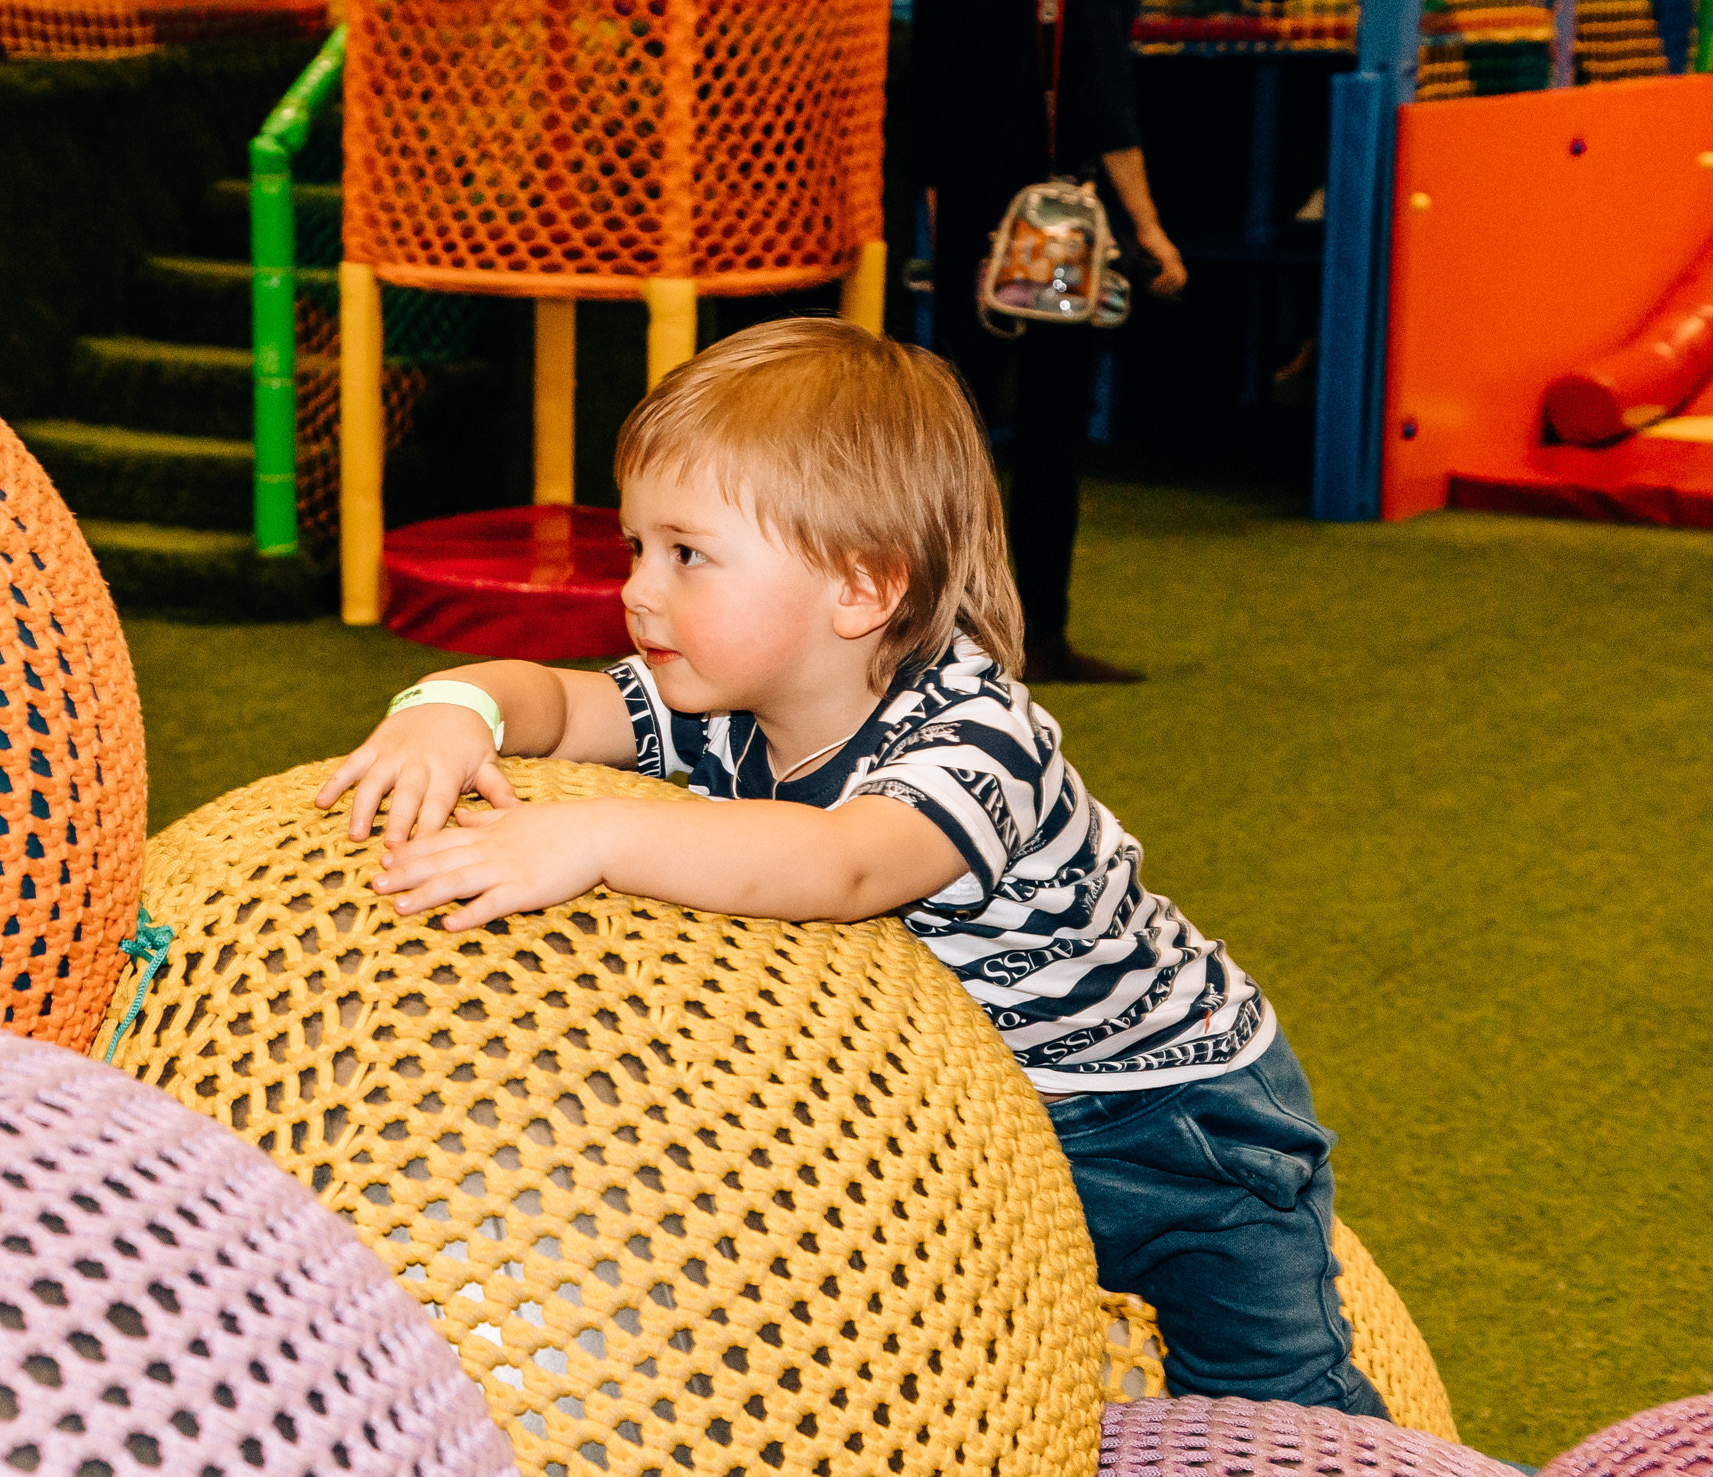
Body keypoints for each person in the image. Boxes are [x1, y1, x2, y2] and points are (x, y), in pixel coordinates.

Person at [315, 319, 1388, 1420]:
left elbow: (844, 864)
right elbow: (554, 700)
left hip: (1169, 1119)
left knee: (1274, 1395)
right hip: (963, 1113)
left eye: (687, 554)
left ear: (863, 588)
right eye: (636, 547)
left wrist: (594, 841)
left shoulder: (979, 736)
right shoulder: (720, 702)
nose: (638, 591)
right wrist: (455, 708)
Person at [902, 0, 1187, 683]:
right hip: (1055, 233)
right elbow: (1102, 97)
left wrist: (950, 219)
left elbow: (923, 104)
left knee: (955, 432)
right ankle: (1041, 635)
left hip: (970, 223)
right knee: (1050, 432)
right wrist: (1148, 226)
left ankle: (935, 632)